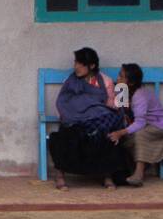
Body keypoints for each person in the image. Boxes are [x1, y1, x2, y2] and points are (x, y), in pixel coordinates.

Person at [48, 47, 128, 190]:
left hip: (97, 122)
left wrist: (96, 108)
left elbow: (113, 105)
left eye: (81, 64)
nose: (76, 67)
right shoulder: (70, 81)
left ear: (92, 66)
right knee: (64, 136)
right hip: (74, 121)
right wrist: (76, 114)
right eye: (76, 62)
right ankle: (59, 175)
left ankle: (107, 175)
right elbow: (63, 102)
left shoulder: (105, 81)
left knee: (107, 134)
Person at [108, 63, 163, 187]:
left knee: (139, 134)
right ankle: (125, 170)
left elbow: (140, 123)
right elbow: (119, 112)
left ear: (130, 83)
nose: (118, 78)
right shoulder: (122, 90)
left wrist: (121, 132)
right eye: (119, 75)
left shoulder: (139, 96)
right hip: (142, 124)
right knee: (127, 139)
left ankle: (139, 174)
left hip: (158, 125)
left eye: (121, 76)